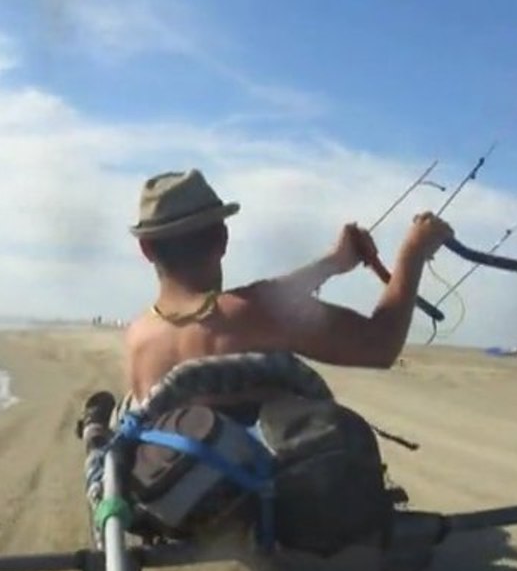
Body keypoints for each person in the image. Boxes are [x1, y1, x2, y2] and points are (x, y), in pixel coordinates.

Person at [123, 169, 454, 403]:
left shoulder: (139, 336)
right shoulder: (251, 314)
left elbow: (263, 298)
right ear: (223, 238)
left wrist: (334, 262)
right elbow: (380, 344)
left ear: (146, 249)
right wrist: (413, 252)